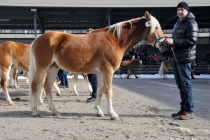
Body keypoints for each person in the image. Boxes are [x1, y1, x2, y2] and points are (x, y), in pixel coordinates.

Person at [165, 1, 198, 120]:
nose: (179, 12)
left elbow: (192, 41)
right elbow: (175, 40)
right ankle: (183, 109)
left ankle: (189, 111)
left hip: (185, 59)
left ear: (187, 11)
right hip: (176, 59)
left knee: (186, 85)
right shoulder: (177, 24)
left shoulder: (191, 23)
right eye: (178, 9)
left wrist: (174, 42)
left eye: (182, 10)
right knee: (181, 86)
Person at [86, 28, 99, 103]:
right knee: (91, 79)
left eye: (90, 33)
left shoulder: (95, 42)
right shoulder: (87, 43)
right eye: (87, 34)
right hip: (88, 64)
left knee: (94, 79)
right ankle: (94, 94)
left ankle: (95, 95)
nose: (88, 35)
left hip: (94, 63)